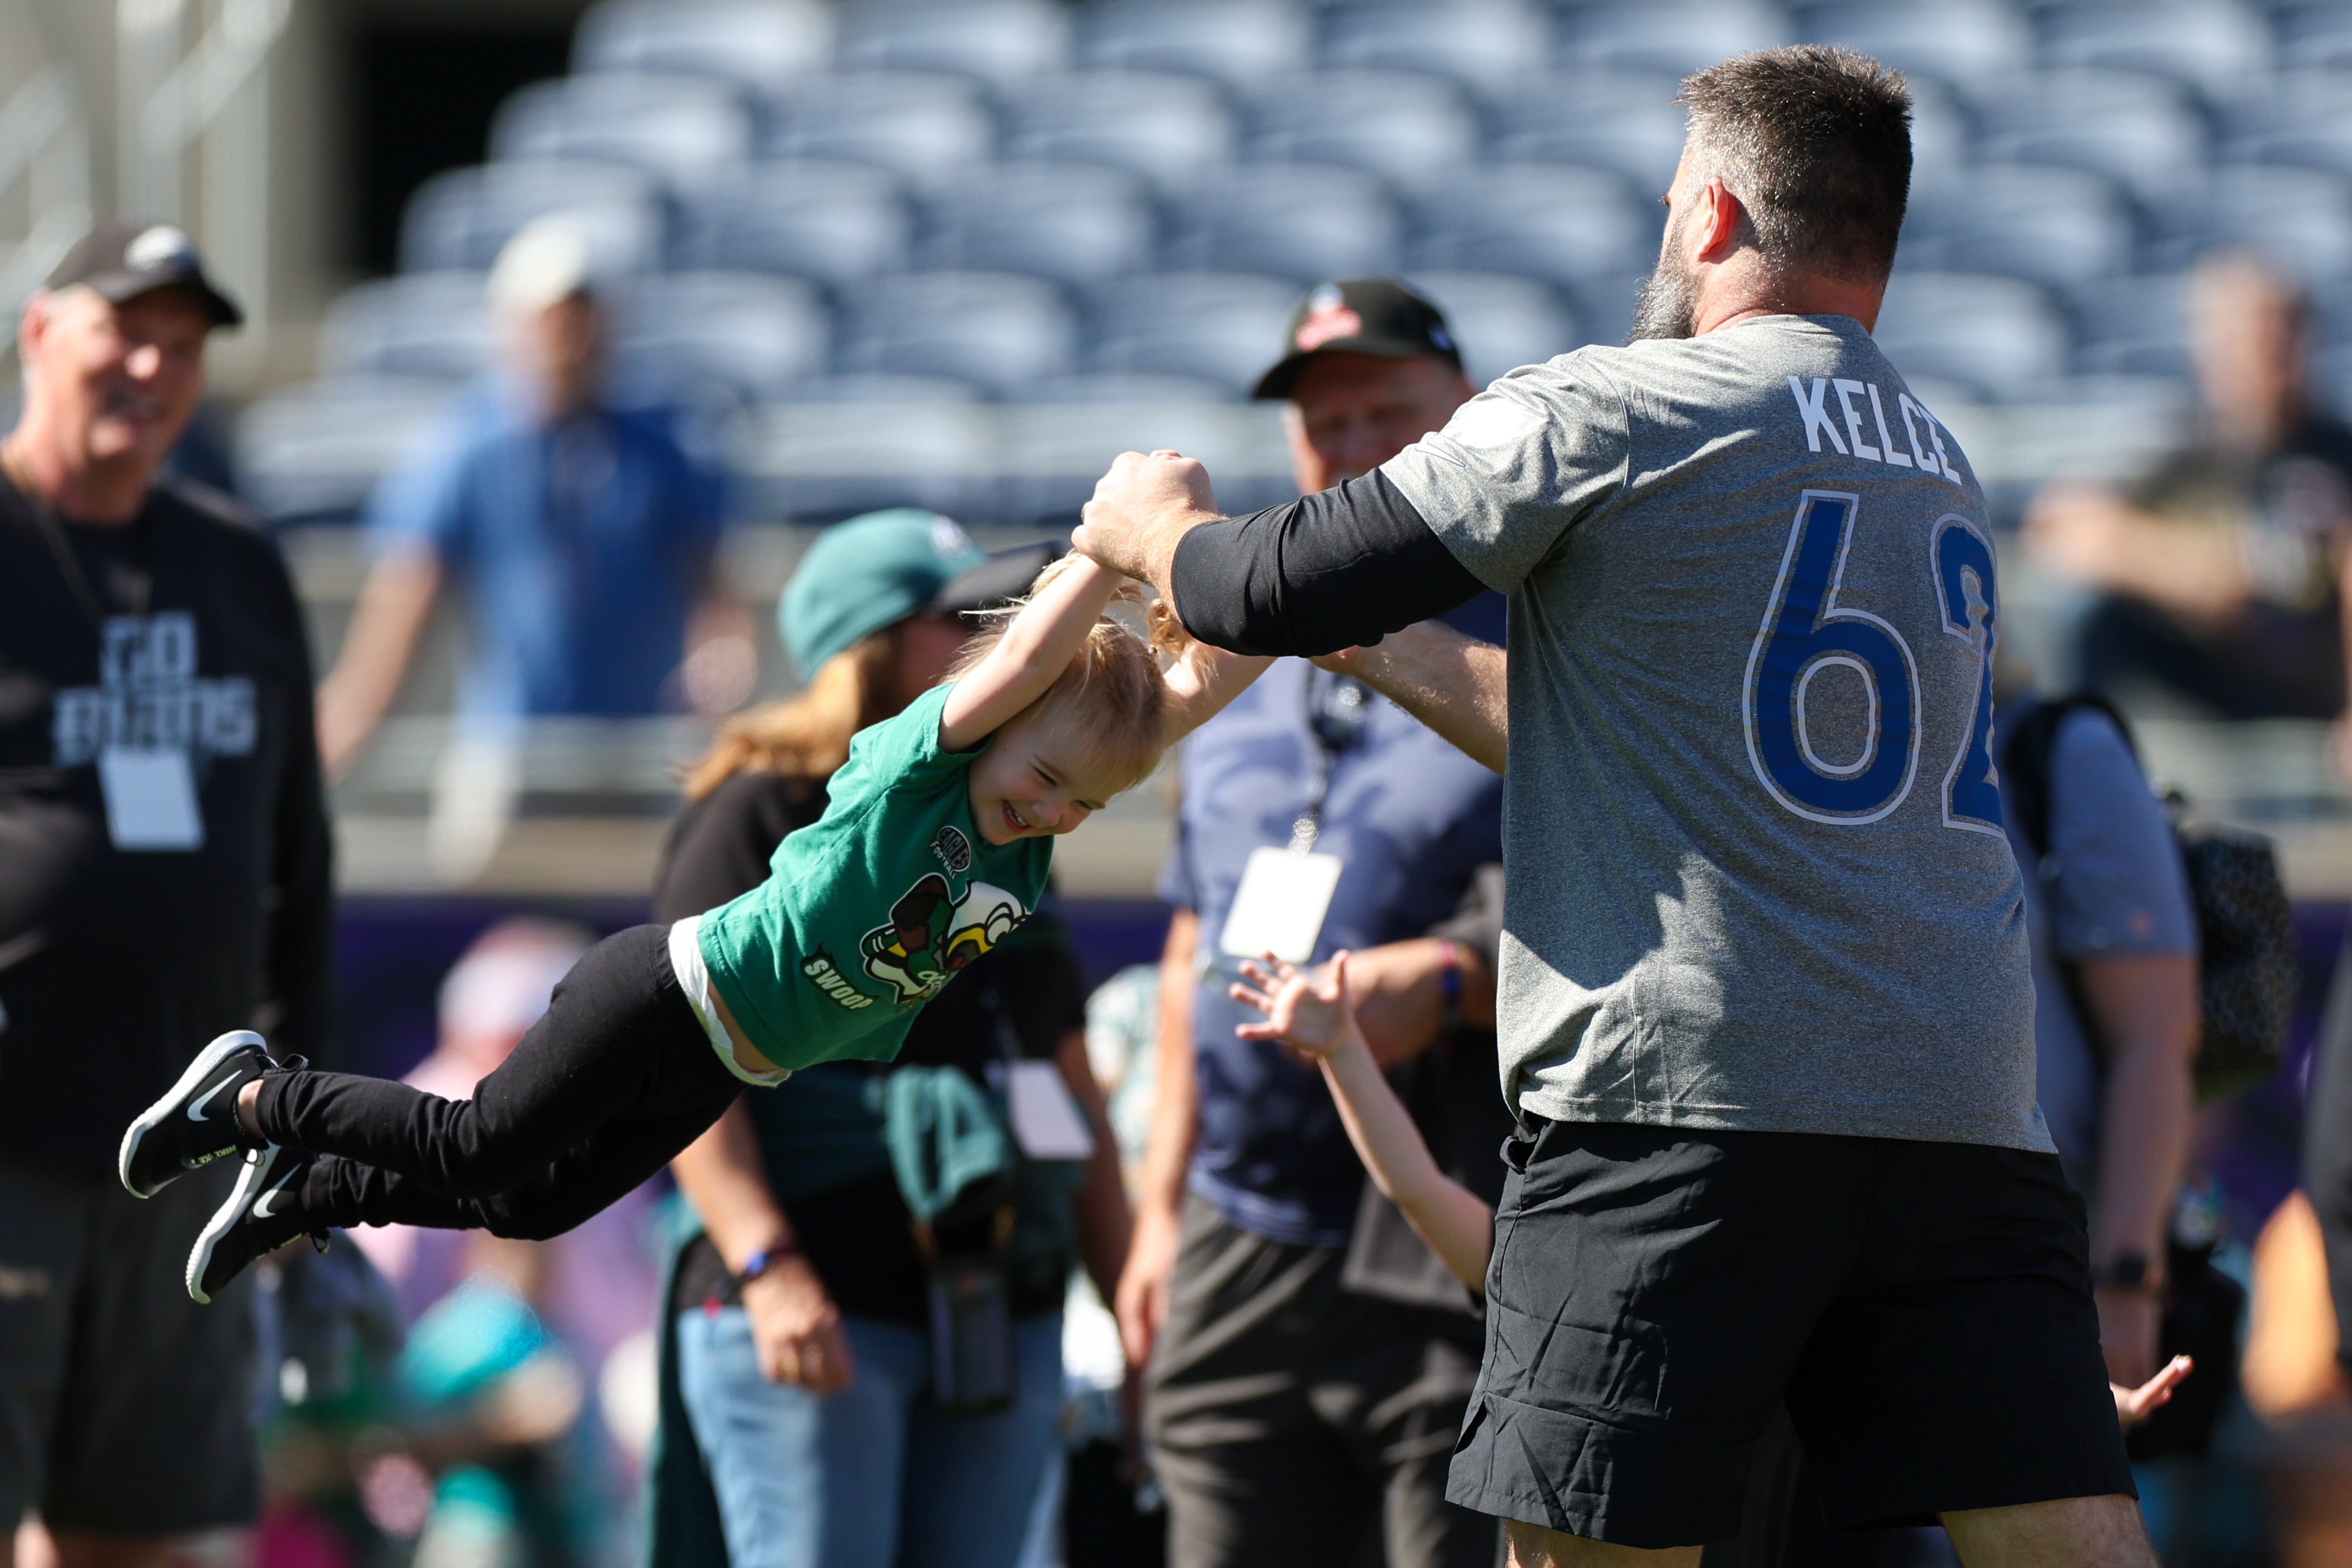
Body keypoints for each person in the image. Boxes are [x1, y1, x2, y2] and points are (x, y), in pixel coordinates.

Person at [1076, 44, 2160, 1566]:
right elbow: (1624, 737)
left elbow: (1257, 580)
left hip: (1679, 1109)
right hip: (1958, 1107)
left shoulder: (1621, 408)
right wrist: (1374, 642)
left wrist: (1153, 527)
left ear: (1711, 214)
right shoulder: (1934, 454)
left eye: (1666, 207)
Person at [121, 551, 1267, 1309]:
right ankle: (251, 1098)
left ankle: (308, 1192)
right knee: (480, 1146)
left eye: (1085, 805)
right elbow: (1022, 658)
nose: (1058, 812)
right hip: (664, 996)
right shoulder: (916, 774)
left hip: (729, 1061)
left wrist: (1301, 598)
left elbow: (1181, 702)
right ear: (994, 725)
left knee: (530, 1206)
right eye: (1049, 781)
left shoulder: (1027, 840)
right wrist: (1106, 550)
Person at [649, 512, 1131, 1568]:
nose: (1000, 636)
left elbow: (1066, 1072)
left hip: (998, 1302)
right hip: (816, 1294)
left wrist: (1129, 1300)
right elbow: (680, 1070)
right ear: (867, 645)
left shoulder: (1014, 809)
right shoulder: (758, 811)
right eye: (963, 617)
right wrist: (766, 1265)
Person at [1114, 279, 1508, 1568]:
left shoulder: (1538, 640)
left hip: (1449, 1223)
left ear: (1466, 411)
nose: (1352, 450)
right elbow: (1190, 946)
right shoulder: (1234, 652)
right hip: (1241, 1223)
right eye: (1322, 424)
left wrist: (1450, 979)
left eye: (1386, 413)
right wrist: (1160, 1213)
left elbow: (1650, 910)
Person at [1228, 953, 2199, 1435]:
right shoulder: (1586, 1290)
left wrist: (2079, 1408)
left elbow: (1948, 1369)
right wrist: (1343, 1052)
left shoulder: (1808, 1287)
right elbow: (1415, 1190)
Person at [0, 224, 332, 1566]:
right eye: (125, 333)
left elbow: (298, 860)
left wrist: (301, 1131)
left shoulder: (235, 563)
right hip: (10, 1139)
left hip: (186, 1148)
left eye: (182, 347)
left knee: (147, 1536)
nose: (153, 368)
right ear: (40, 332)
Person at [313, 214, 747, 879]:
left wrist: (717, 698)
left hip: (637, 754)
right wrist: (343, 729)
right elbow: (405, 599)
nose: (570, 338)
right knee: (480, 910)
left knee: (652, 916)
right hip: (508, 748)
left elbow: (712, 585)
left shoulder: (665, 445)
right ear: (514, 325)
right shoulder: (465, 447)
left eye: (584, 316)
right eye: (552, 318)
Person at [2025, 251, 2352, 731]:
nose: (2260, 356)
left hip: (2311, 671)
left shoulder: (2336, 454)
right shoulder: (2190, 449)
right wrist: (2184, 570)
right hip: (2214, 661)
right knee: (2089, 609)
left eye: (2276, 335)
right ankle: (2079, 753)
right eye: (2240, 339)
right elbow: (2063, 524)